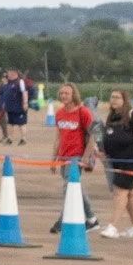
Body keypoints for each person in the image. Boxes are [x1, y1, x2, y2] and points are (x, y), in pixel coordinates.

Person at [48, 83, 98, 233]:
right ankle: (91, 219)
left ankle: (62, 220)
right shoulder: (59, 114)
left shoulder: (83, 113)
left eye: (67, 93)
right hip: (64, 156)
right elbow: (58, 138)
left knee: (68, 188)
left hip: (76, 157)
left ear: (73, 95)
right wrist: (53, 158)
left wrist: (84, 158)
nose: (63, 96)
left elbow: (92, 136)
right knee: (74, 187)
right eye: (62, 93)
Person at [98, 91, 133, 238]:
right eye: (112, 97)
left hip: (132, 161)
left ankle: (113, 226)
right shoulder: (112, 117)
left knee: (119, 191)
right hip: (118, 161)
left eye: (117, 97)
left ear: (125, 100)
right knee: (130, 193)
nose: (113, 100)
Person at [0, 69, 31, 147]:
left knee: (21, 123)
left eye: (9, 73)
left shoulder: (19, 82)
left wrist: (25, 103)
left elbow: (24, 92)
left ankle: (23, 139)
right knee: (10, 124)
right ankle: (10, 139)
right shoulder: (8, 84)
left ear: (14, 73)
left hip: (19, 107)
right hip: (10, 107)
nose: (8, 74)